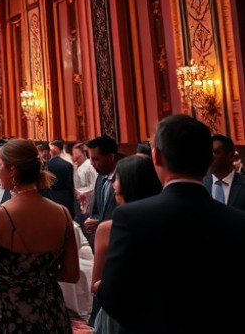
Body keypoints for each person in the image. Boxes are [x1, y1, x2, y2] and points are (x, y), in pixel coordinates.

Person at [100, 115, 245, 333]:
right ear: (208, 159)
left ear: (156, 156)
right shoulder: (238, 221)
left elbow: (113, 296)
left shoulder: (130, 218)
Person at [0, 139, 80, 334]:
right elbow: (71, 274)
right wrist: (38, 276)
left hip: (11, 311)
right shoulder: (63, 213)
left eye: (0, 165)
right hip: (50, 309)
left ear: (13, 170)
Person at [90, 155, 162, 334]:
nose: (113, 183)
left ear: (129, 183)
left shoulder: (108, 228)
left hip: (119, 313)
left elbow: (96, 285)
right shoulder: (165, 219)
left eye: (117, 178)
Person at [203, 134, 245, 210]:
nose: (210, 157)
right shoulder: (202, 186)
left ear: (230, 155)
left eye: (216, 152)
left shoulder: (243, 184)